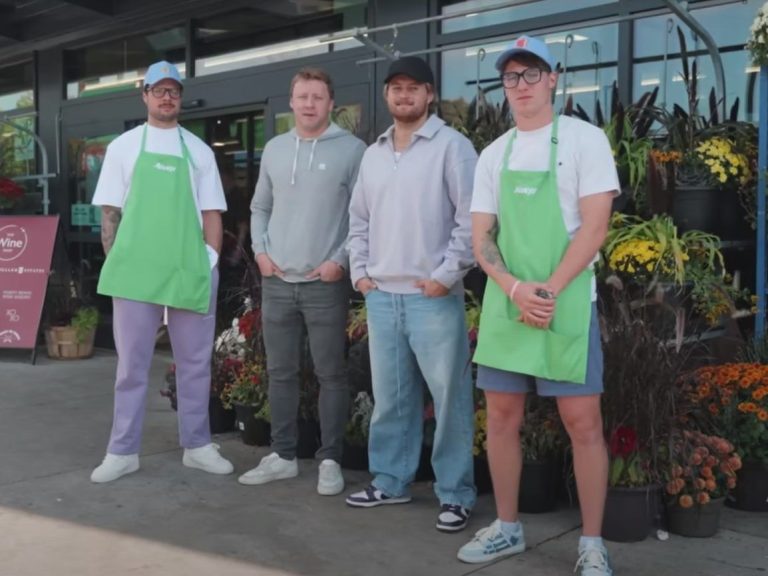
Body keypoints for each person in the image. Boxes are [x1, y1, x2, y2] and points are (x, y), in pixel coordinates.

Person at [456, 36, 618, 576]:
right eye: (511, 77)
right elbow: (482, 238)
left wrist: (546, 289)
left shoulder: (584, 139)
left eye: (531, 74)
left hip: (567, 303)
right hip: (508, 302)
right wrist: (512, 287)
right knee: (501, 418)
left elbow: (595, 227)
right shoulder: (493, 154)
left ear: (553, 79)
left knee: (583, 422)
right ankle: (507, 527)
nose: (520, 86)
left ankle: (592, 543)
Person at [345, 56, 477, 533]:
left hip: (432, 296)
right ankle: (392, 480)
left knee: (450, 398)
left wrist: (446, 274)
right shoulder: (373, 153)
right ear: (386, 95)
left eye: (413, 88)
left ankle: (456, 493)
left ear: (430, 94)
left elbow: (471, 220)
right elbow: (358, 219)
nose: (404, 96)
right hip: (381, 295)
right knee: (391, 397)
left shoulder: (452, 147)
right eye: (396, 88)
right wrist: (360, 272)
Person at [90, 60, 233, 483]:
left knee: (194, 362)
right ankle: (122, 451)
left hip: (189, 269)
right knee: (131, 366)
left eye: (173, 90)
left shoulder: (199, 151)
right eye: (159, 89)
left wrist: (208, 262)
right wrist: (118, 258)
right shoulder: (124, 147)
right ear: (145, 96)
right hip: (136, 273)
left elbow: (211, 213)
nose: (166, 96)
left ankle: (198, 445)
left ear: (180, 98)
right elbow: (110, 211)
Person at [243, 67, 366, 496]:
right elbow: (259, 206)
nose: (309, 103)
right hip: (277, 280)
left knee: (331, 374)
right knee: (280, 373)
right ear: (291, 102)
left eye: (317, 96)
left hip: (325, 282)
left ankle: (330, 459)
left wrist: (341, 261)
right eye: (302, 96)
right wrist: (260, 251)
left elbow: (363, 215)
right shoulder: (276, 149)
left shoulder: (353, 150)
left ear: (331, 103)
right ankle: (283, 456)